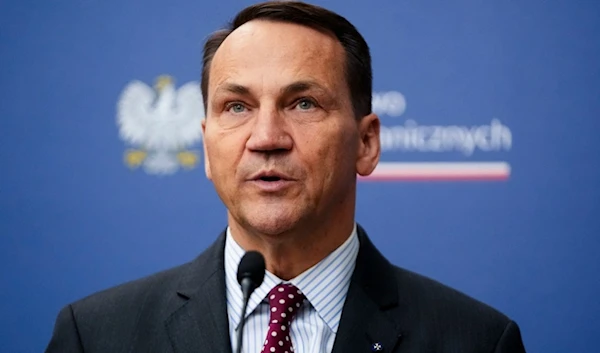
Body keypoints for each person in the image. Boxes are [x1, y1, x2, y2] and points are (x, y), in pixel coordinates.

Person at [45, 1, 527, 352]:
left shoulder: (477, 341)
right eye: (237, 106)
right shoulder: (96, 335)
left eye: (303, 103)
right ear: (207, 145)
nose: (266, 137)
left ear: (366, 143)